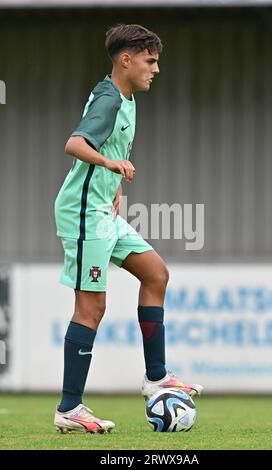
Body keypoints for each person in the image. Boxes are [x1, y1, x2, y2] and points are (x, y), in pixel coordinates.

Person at [53, 23, 203, 434]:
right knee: (92, 308)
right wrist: (110, 165)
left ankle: (156, 377)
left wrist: (114, 182)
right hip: (83, 214)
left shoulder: (127, 98)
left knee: (156, 273)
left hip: (104, 210)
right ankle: (69, 408)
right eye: (150, 61)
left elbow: (112, 146)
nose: (155, 69)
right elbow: (76, 143)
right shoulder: (108, 98)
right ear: (127, 59)